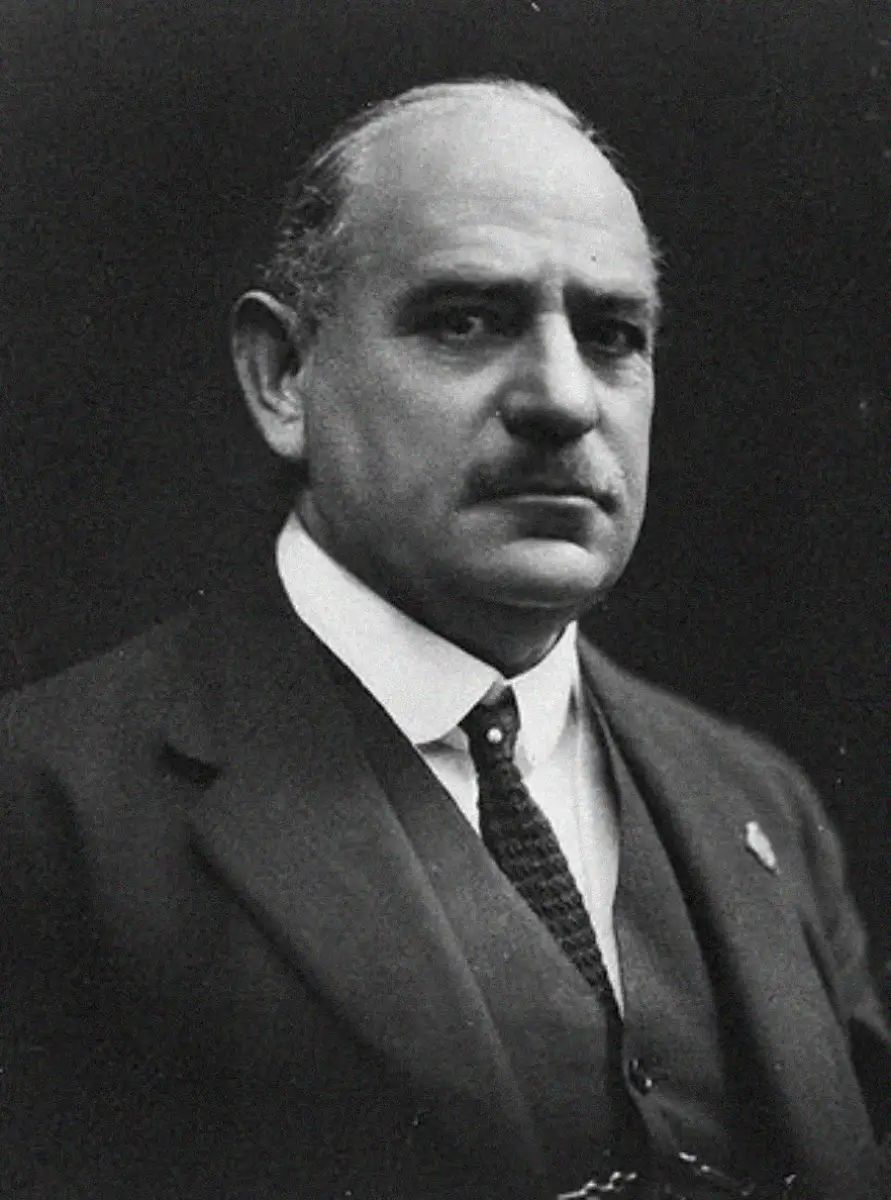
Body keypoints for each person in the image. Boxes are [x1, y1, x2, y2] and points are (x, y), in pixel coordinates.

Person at [1, 79, 888, 1200]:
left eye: (613, 336)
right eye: (466, 320)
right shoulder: (39, 811)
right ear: (284, 377)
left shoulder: (762, 802)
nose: (564, 398)